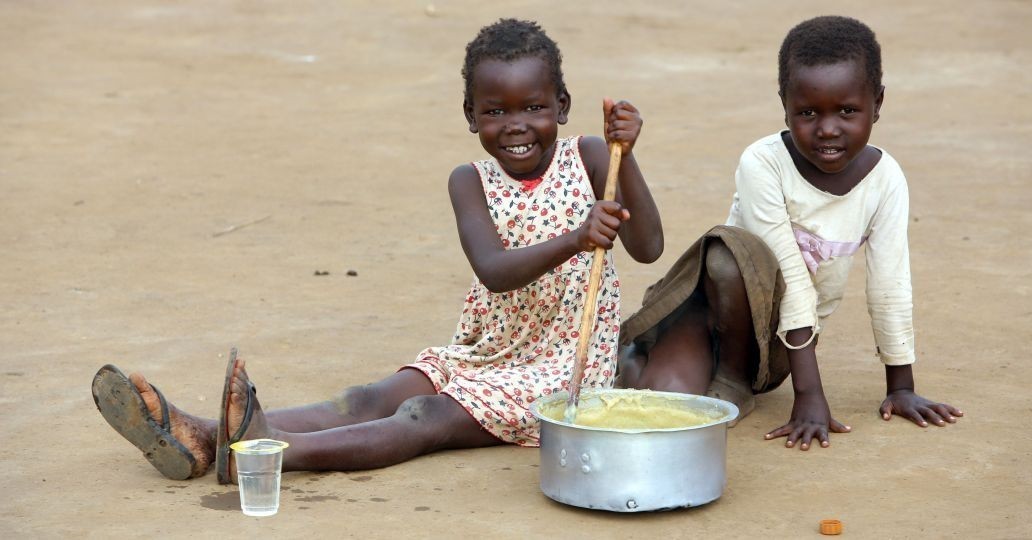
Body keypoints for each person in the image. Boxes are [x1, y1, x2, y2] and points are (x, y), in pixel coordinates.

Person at [91, 18, 663, 481]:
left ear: (561, 107)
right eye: (495, 111)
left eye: (533, 107)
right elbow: (493, 271)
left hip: (561, 371)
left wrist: (625, 155)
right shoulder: (469, 181)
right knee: (371, 397)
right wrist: (576, 238)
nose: (516, 126)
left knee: (423, 416)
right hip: (485, 350)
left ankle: (263, 450)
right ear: (470, 116)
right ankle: (206, 436)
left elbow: (648, 247)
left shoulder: (592, 158)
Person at [615, 15, 962, 450]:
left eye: (848, 111)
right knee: (662, 399)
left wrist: (901, 385)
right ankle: (659, 358)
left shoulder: (886, 180)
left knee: (682, 408)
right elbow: (791, 278)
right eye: (808, 113)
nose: (828, 128)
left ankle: (735, 377)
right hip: (709, 320)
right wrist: (809, 394)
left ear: (878, 102)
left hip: (778, 347)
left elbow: (890, 283)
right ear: (785, 104)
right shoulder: (763, 163)